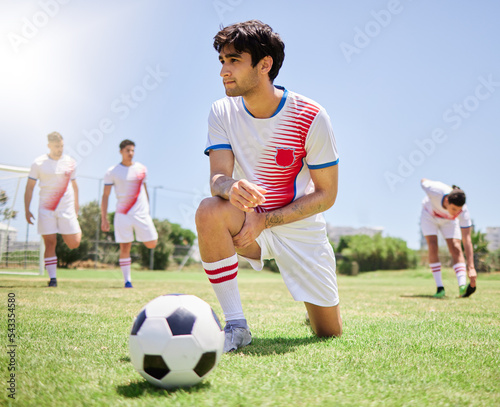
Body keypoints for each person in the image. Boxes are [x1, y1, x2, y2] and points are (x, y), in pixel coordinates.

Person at [195, 20, 342, 353]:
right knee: (208, 210)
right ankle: (236, 326)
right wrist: (230, 186)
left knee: (328, 333)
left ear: (264, 65)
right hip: (248, 225)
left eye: (234, 60)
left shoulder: (312, 116)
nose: (223, 71)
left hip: (299, 228)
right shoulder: (221, 111)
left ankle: (317, 308)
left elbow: (326, 195)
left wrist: (268, 219)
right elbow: (217, 178)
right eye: (221, 61)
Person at [24, 132, 82, 287]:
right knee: (50, 242)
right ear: (49, 145)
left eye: (62, 146)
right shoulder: (38, 163)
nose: (60, 149)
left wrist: (76, 206)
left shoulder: (70, 162)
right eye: (57, 146)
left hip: (66, 208)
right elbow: (30, 187)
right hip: (46, 208)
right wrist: (27, 209)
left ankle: (72, 227)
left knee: (74, 243)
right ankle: (53, 279)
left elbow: (75, 186)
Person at [101, 139, 158, 288]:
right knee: (125, 247)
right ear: (121, 151)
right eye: (128, 150)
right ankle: (127, 281)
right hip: (123, 214)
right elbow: (105, 195)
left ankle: (130, 276)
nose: (130, 153)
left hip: (142, 214)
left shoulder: (141, 169)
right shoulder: (112, 172)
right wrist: (104, 218)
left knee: (152, 243)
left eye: (132, 150)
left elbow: (145, 189)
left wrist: (148, 210)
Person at [420, 178, 477, 298]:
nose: (457, 213)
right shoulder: (434, 190)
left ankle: (462, 287)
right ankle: (440, 288)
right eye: (454, 209)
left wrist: (471, 267)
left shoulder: (463, 212)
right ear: (446, 201)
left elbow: (467, 239)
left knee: (456, 246)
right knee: (433, 245)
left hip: (448, 221)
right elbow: (423, 180)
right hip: (429, 216)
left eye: (459, 210)